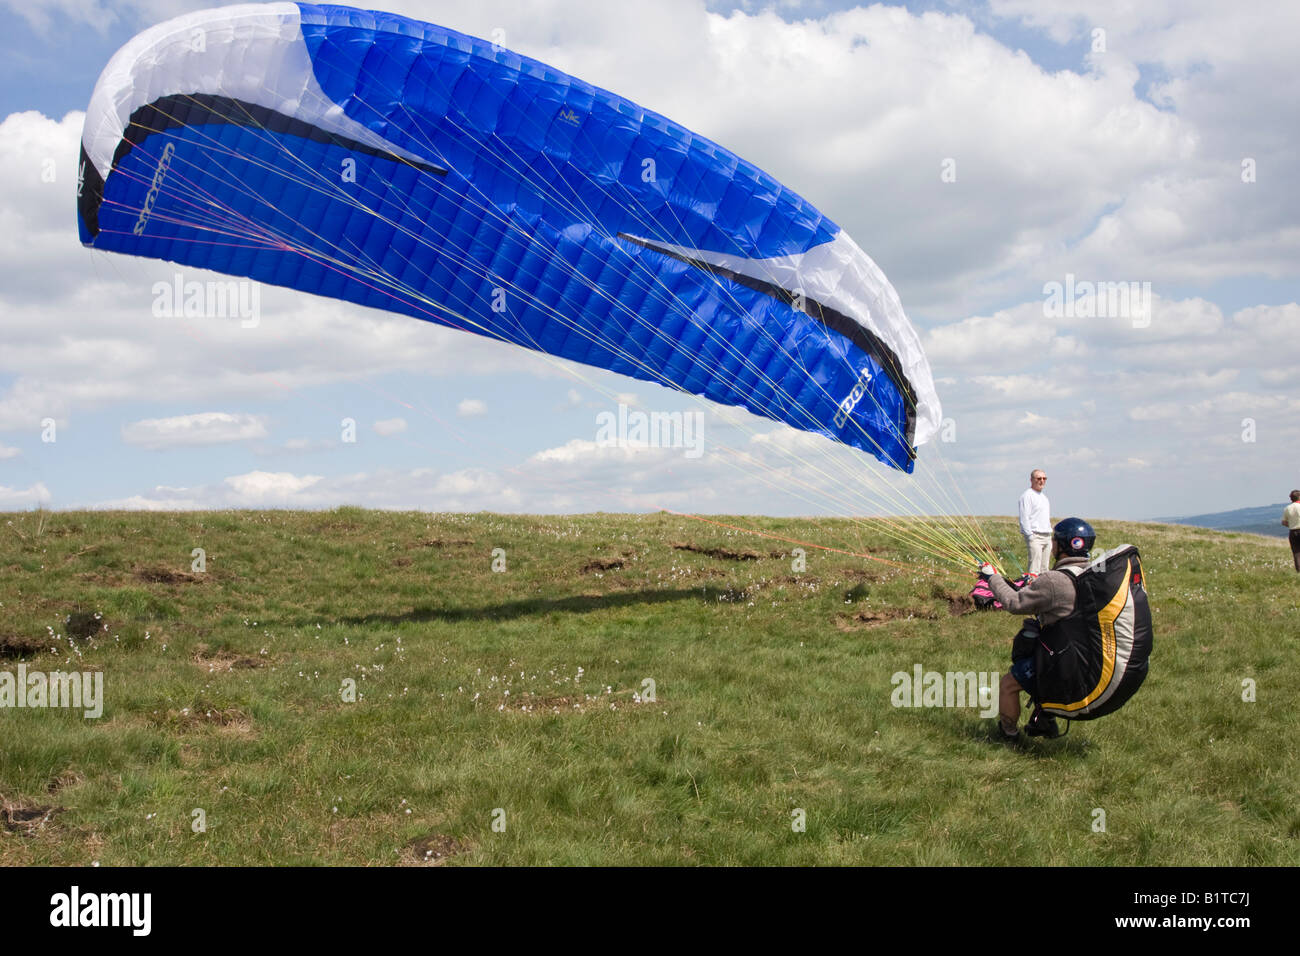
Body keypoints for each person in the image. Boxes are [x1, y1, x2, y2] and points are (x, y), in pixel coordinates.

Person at [978, 517, 1096, 741]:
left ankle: (1009, 735)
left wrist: (991, 577)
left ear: (1061, 546)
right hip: (1091, 659)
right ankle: (1044, 718)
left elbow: (1014, 604)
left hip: (1065, 664)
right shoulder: (1095, 577)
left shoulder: (1055, 581)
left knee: (1009, 684)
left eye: (1055, 540)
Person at [1018, 469, 1052, 574]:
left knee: (1045, 569)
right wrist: (1030, 536)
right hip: (1035, 536)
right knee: (1034, 568)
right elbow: (1024, 518)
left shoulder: (1044, 497)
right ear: (1032, 480)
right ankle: (1032, 588)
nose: (1042, 481)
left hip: (1047, 536)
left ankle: (1044, 589)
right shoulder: (1027, 496)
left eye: (1044, 478)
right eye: (1039, 478)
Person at [1282, 490, 1300, 573]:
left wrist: (1292, 525)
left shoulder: (1287, 508)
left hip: (1293, 532)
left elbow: (1284, 522)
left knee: (1296, 553)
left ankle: (1298, 571)